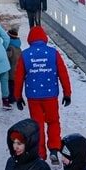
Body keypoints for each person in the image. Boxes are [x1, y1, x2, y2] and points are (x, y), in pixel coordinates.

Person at [14, 26, 72, 162]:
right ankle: (54, 149)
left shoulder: (25, 55)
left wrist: (17, 97)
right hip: (50, 95)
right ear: (45, 38)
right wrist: (67, 93)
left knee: (37, 125)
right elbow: (63, 74)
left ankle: (40, 154)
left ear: (30, 39)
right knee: (53, 122)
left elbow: (19, 77)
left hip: (33, 97)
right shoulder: (53, 53)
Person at [6, 28, 22, 101]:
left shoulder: (10, 47)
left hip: (11, 71)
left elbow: (8, 57)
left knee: (11, 85)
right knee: (16, 85)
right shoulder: (18, 46)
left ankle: (12, 98)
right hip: (18, 69)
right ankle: (17, 96)